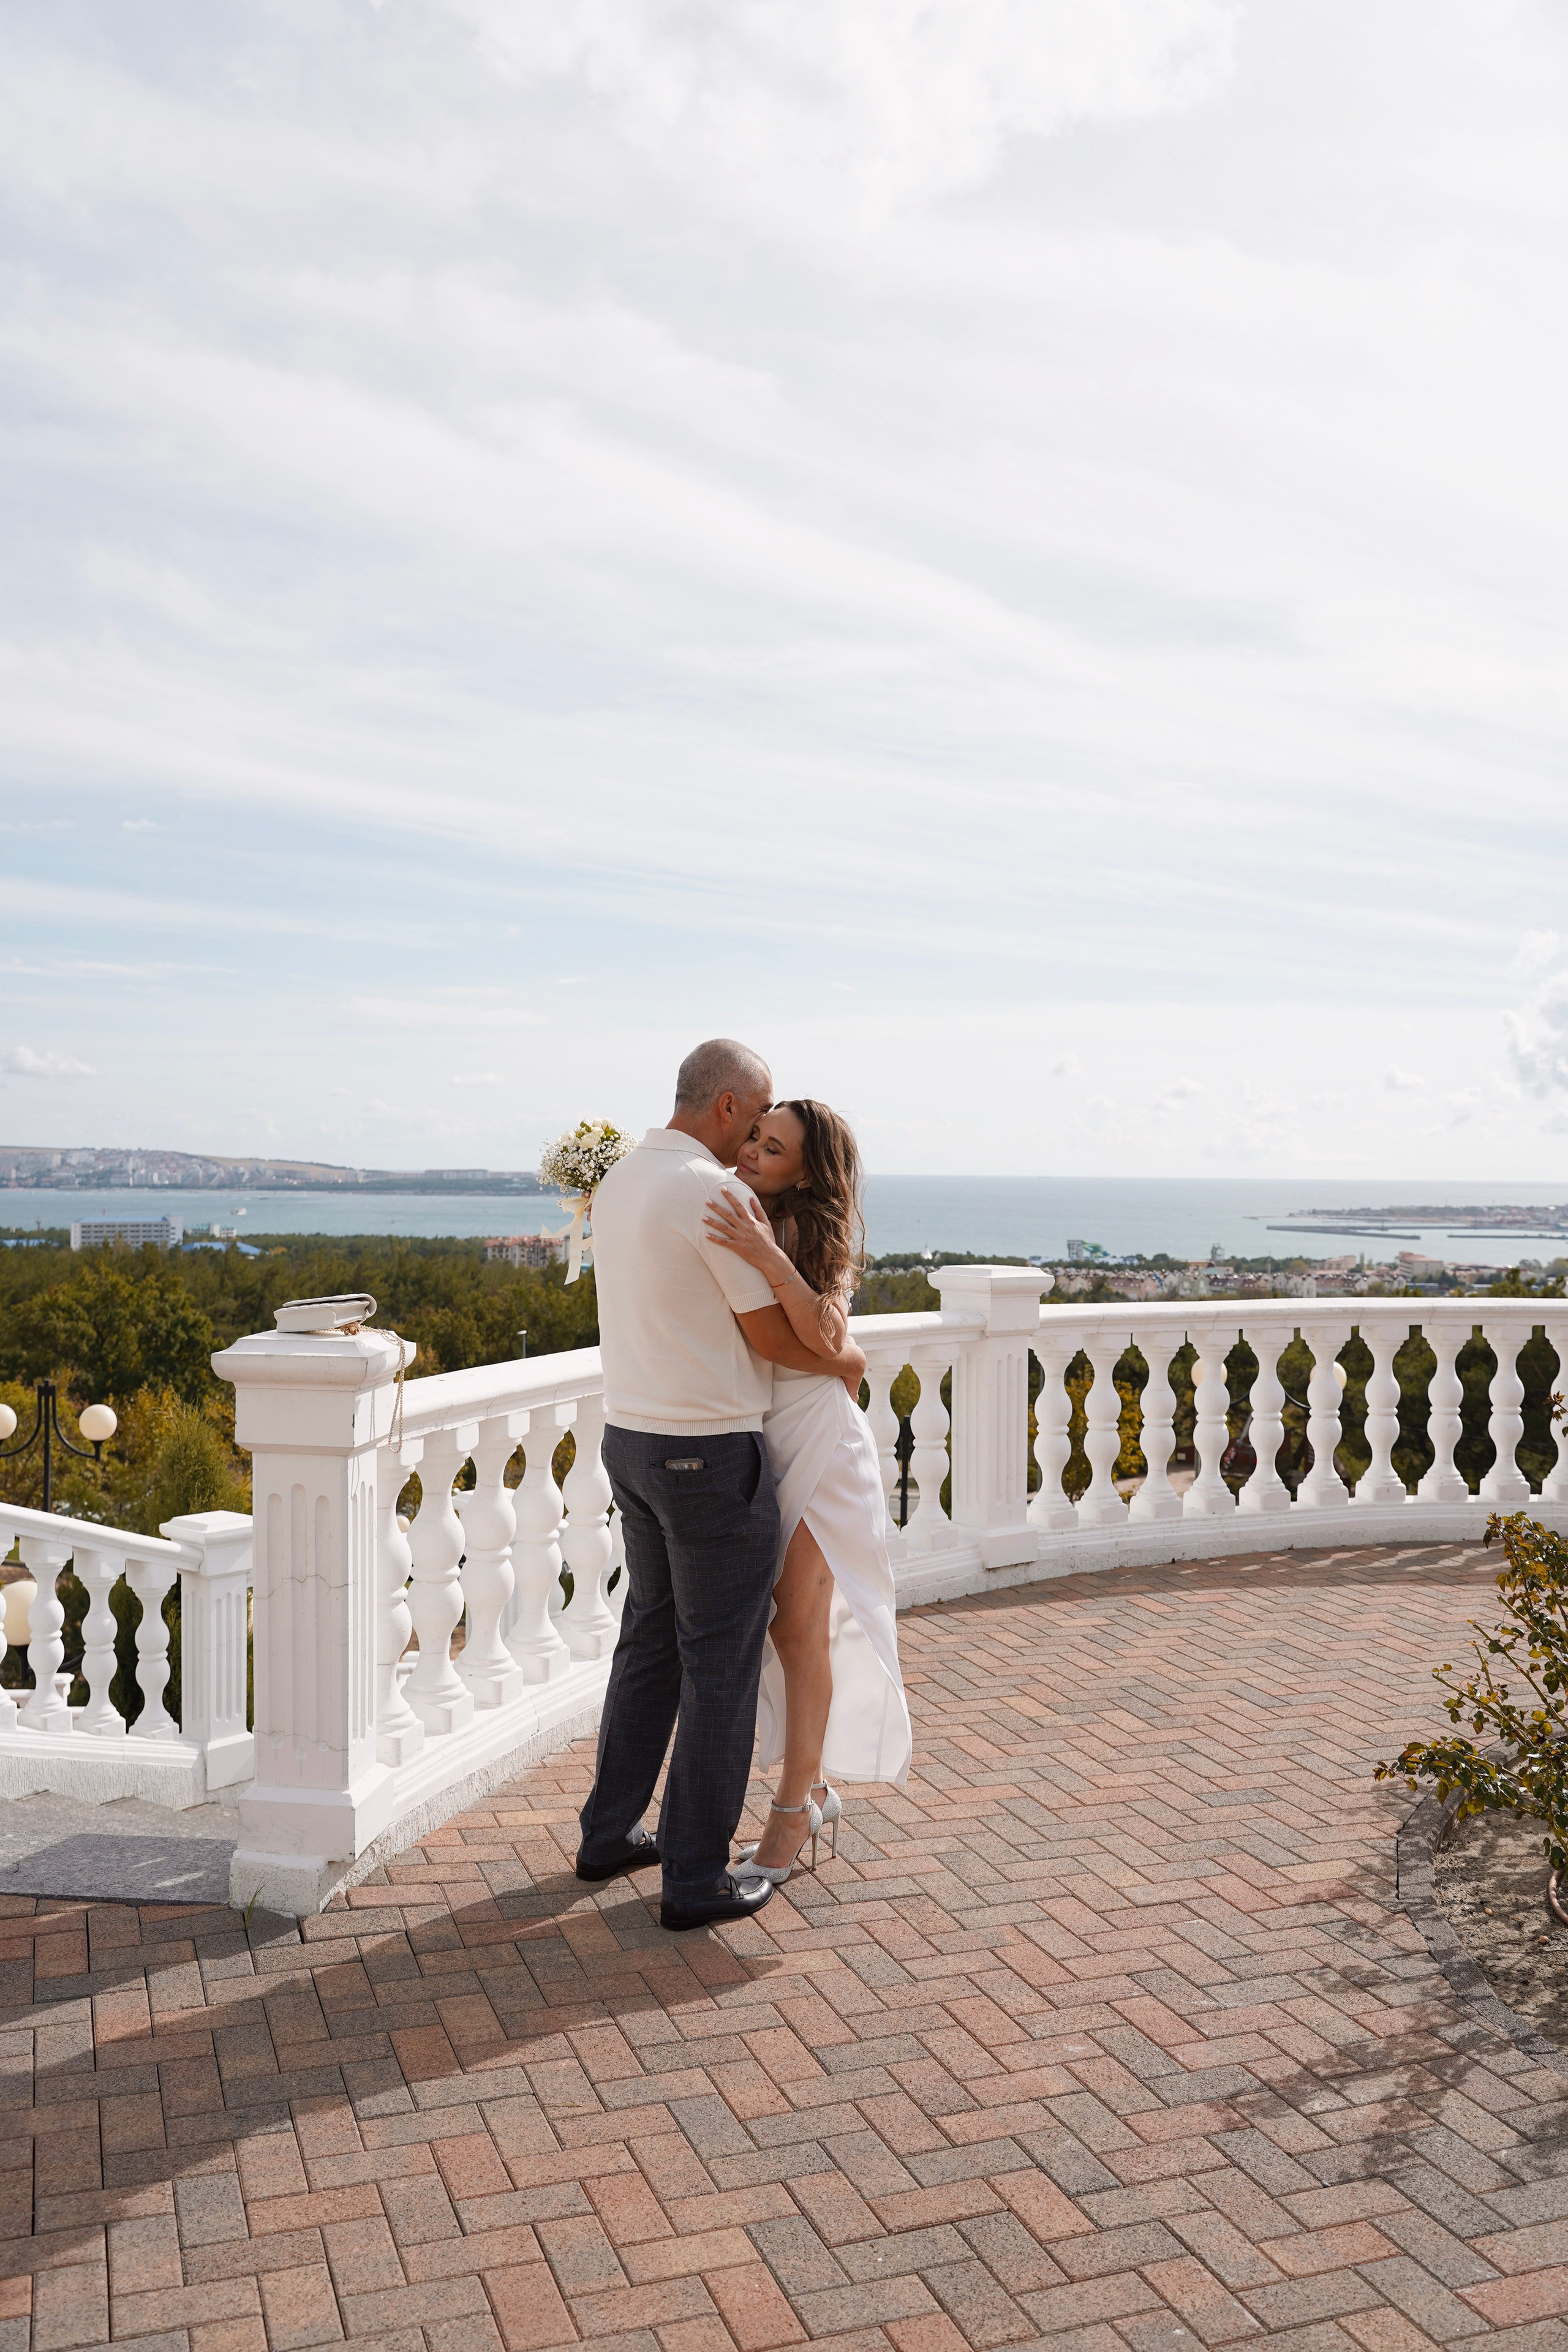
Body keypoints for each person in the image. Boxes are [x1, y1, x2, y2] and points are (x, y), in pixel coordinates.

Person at [575, 1040, 869, 1932]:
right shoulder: (715, 1193)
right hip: (704, 1454)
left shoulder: (621, 1178)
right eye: (761, 1114)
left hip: (631, 1439)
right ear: (733, 1105)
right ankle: (696, 1878)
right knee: (721, 1662)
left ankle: (608, 1832)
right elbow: (778, 1343)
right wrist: (850, 1355)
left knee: (651, 1642)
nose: (753, 1142)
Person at [702, 1099, 911, 1887]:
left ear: (808, 1169)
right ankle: (813, 1787)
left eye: (774, 1147)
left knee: (799, 1629)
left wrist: (765, 1249)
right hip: (768, 1437)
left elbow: (828, 1337)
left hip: (821, 1444)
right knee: (783, 1629)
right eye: (754, 1136)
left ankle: (792, 1813)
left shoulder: (806, 1229)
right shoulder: (740, 1203)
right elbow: (835, 1353)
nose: (753, 1150)